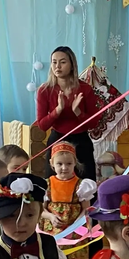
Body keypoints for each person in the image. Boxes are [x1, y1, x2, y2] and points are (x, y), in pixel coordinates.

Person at [41, 142, 97, 259]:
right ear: (52, 164)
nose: (64, 168)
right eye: (59, 164)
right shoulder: (47, 185)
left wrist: (77, 225)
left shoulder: (81, 185)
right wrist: (51, 216)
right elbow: (41, 210)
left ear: (75, 163)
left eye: (68, 164)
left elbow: (86, 209)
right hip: (53, 231)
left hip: (73, 231)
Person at [36, 46, 100, 181]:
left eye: (63, 62)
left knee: (86, 186)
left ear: (72, 65)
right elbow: (42, 125)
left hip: (81, 142)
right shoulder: (44, 90)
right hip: (57, 141)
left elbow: (93, 124)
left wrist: (78, 112)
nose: (57, 66)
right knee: (54, 185)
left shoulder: (85, 89)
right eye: (54, 62)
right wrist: (58, 110)